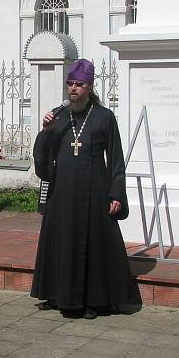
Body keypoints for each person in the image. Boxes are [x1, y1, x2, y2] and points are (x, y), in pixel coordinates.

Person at [31, 58, 141, 319]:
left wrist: (116, 192)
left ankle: (95, 300)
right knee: (62, 242)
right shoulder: (58, 116)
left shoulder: (104, 117)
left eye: (79, 84)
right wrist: (45, 132)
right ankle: (59, 294)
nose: (73, 89)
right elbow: (43, 160)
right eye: (70, 83)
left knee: (93, 245)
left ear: (90, 87)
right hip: (62, 192)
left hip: (95, 190)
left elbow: (115, 157)